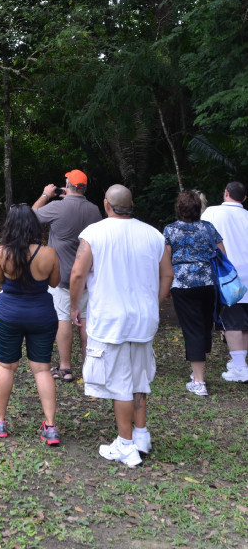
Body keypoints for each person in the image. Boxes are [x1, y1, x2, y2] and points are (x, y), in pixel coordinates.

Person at [69, 184, 173, 467]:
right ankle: (141, 435)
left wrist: (75, 305)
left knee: (120, 384)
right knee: (139, 378)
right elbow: (168, 274)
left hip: (110, 319)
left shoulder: (94, 233)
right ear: (132, 204)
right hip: (143, 319)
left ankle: (125, 446)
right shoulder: (154, 235)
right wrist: (155, 302)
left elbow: (78, 273)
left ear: (106, 204)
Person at [0, 203, 61, 444]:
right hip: (41, 314)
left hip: (9, 313)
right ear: (33, 224)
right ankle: (50, 426)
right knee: (42, 369)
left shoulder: (2, 252)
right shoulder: (49, 253)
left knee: (6, 366)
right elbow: (54, 282)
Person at [31, 169, 102, 381]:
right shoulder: (94, 210)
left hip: (61, 276)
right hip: (87, 276)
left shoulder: (57, 207)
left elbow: (31, 215)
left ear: (68, 185)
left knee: (63, 318)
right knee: (85, 319)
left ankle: (65, 367)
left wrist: (46, 195)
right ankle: (89, 367)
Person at [162, 190, 225, 395]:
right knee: (205, 325)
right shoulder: (208, 228)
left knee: (192, 329)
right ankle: (198, 369)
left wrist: (167, 284)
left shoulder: (170, 230)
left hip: (183, 285)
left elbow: (166, 261)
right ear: (198, 209)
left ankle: (199, 381)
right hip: (208, 283)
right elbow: (222, 254)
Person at [201, 181, 248, 382]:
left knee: (233, 321)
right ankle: (240, 363)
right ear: (244, 198)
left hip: (229, 274)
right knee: (244, 321)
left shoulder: (213, 212)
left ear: (225, 193)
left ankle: (239, 367)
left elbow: (202, 235)